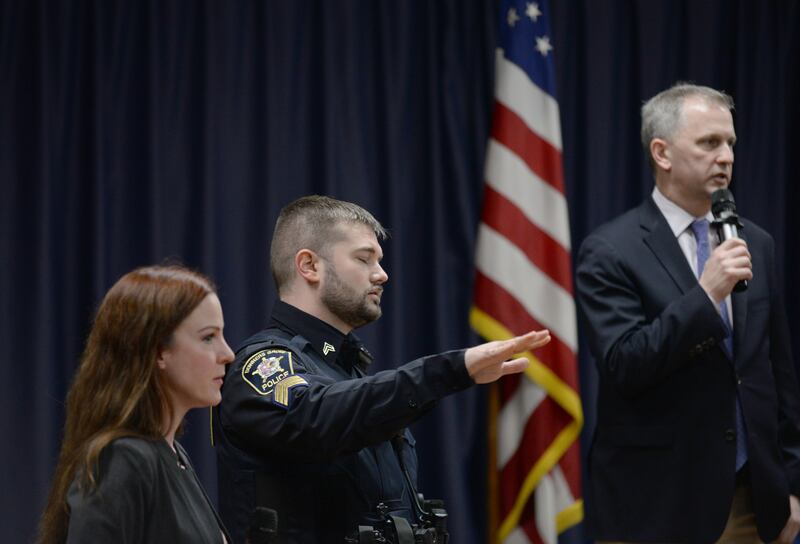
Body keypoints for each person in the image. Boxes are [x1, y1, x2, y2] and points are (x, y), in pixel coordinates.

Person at [214, 195, 551, 543]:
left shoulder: (346, 369)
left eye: (380, 260)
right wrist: (450, 370)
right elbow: (317, 416)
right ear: (309, 266)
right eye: (364, 259)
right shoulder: (262, 365)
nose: (382, 274)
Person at [575, 82, 800, 543]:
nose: (727, 157)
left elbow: (776, 372)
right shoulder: (609, 250)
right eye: (709, 143)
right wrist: (707, 293)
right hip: (654, 505)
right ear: (662, 153)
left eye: (731, 143)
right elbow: (625, 366)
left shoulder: (755, 241)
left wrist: (791, 485)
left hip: (751, 503)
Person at [37, 265, 235, 543]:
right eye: (208, 337)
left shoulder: (172, 453)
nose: (227, 354)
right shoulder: (123, 460)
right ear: (158, 352)